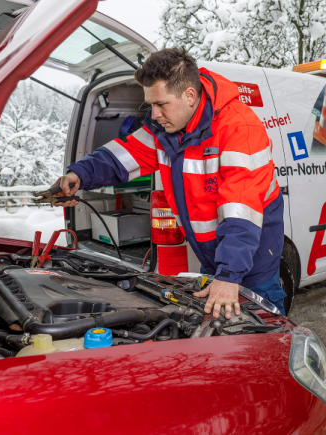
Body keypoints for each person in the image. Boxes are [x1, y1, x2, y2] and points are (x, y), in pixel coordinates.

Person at [51, 48, 285, 319]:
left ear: (189, 96)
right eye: (150, 105)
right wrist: (79, 175)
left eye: (161, 104)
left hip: (252, 253)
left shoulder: (239, 128)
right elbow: (123, 156)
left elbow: (240, 210)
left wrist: (229, 275)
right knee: (218, 325)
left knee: (263, 323)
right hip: (214, 254)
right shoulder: (165, 128)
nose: (154, 114)